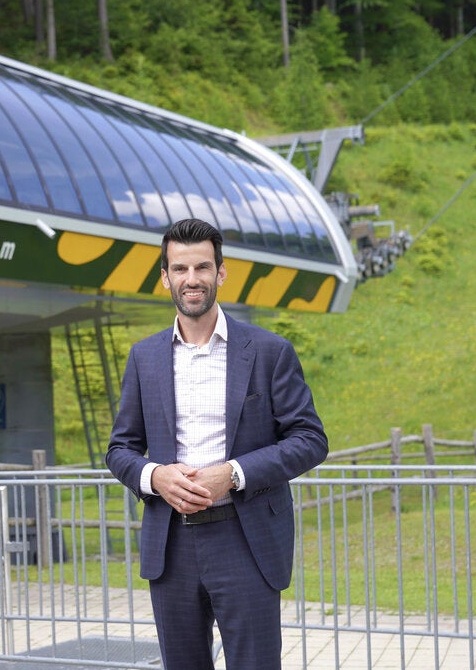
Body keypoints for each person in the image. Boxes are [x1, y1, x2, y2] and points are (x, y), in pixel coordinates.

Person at [106, 218, 328, 669]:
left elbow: (310, 439)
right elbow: (120, 449)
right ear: (165, 277)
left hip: (246, 540)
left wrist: (234, 473)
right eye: (181, 269)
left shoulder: (269, 350)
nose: (193, 280)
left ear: (221, 273)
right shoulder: (143, 357)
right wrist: (155, 476)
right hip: (170, 546)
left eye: (203, 268)